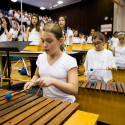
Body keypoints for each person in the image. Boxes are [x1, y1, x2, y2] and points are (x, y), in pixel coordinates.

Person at [24, 23, 78, 102]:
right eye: (42, 41)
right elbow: (36, 75)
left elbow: (74, 90)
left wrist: (53, 81)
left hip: (66, 105)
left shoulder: (69, 61)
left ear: (60, 41)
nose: (44, 45)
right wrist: (32, 82)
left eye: (49, 41)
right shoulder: (41, 57)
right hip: (47, 103)